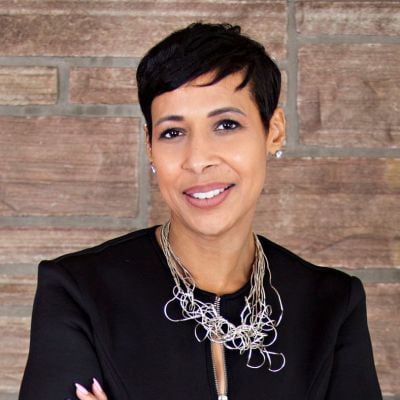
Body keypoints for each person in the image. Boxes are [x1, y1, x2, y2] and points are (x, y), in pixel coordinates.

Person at [19, 23, 382, 400]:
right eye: (173, 133)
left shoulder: (333, 305)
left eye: (226, 125)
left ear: (273, 130)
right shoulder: (78, 292)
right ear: (149, 147)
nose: (198, 160)